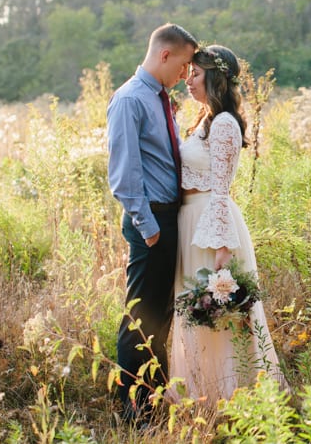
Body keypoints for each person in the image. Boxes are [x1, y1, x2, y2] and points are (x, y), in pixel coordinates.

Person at [167, 44, 288, 405]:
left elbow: (220, 189)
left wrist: (222, 251)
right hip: (191, 220)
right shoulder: (205, 120)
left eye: (196, 73)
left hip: (210, 226)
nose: (188, 80)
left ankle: (230, 395)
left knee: (216, 314)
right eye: (188, 73)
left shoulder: (223, 123)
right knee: (195, 314)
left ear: (215, 77)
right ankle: (200, 393)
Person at [106, 22, 199, 423]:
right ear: (165, 54)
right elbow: (124, 176)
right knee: (141, 316)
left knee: (159, 315)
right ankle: (133, 411)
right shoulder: (130, 100)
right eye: (183, 65)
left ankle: (151, 398)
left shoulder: (160, 99)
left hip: (167, 217)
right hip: (152, 222)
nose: (184, 75)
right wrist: (150, 229)